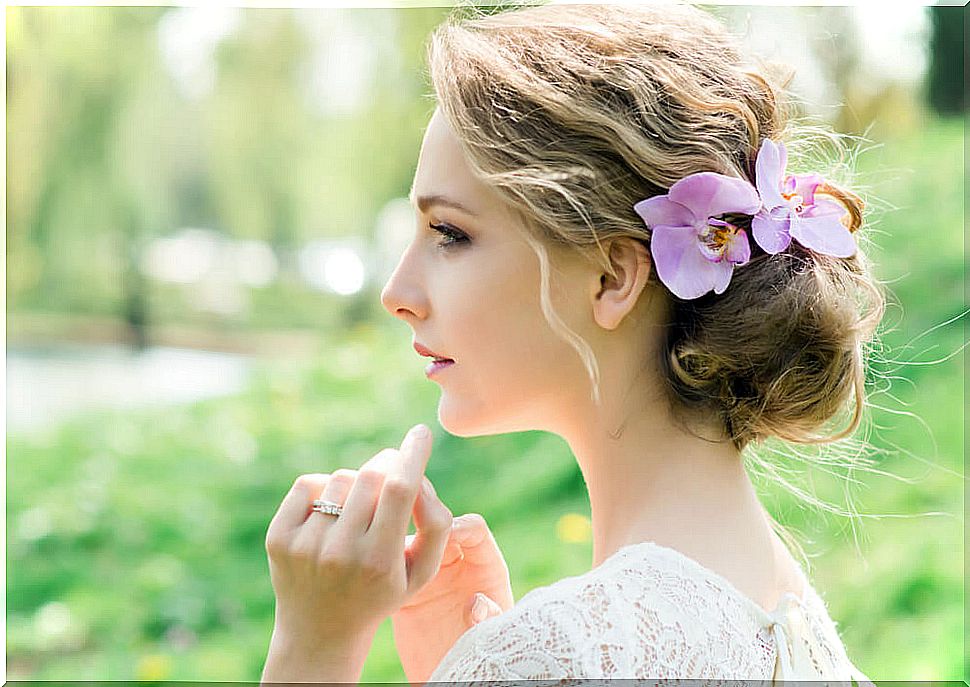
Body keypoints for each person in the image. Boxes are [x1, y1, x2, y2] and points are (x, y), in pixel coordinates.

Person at [260, 3, 884, 683]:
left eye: (450, 234)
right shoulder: (797, 626)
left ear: (612, 276)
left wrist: (313, 646)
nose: (396, 291)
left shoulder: (560, 653)